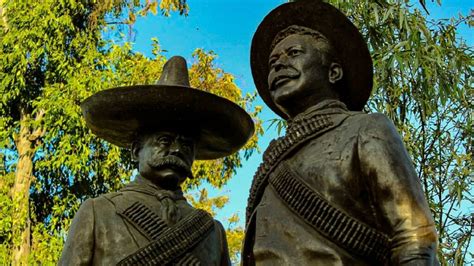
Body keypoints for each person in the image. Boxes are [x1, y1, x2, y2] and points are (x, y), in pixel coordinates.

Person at [242, 0, 439, 265]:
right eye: (274, 61)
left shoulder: (366, 129)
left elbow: (414, 239)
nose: (278, 65)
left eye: (294, 53)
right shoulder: (270, 164)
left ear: (333, 72)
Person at [59, 56, 254, 265]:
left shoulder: (212, 232)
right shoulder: (98, 212)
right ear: (135, 150)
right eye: (164, 140)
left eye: (187, 144)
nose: (177, 149)